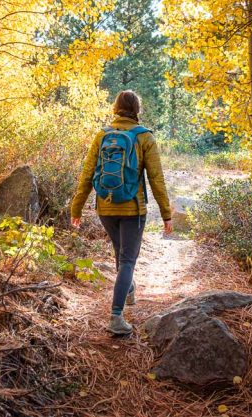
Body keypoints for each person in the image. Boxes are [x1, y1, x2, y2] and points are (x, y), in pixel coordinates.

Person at [70, 90, 172, 335]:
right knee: (127, 260)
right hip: (133, 209)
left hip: (105, 207)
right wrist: (166, 214)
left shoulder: (102, 135)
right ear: (137, 109)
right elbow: (156, 179)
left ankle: (129, 287)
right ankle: (116, 317)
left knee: (121, 252)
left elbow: (86, 175)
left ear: (115, 108)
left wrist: (77, 208)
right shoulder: (144, 137)